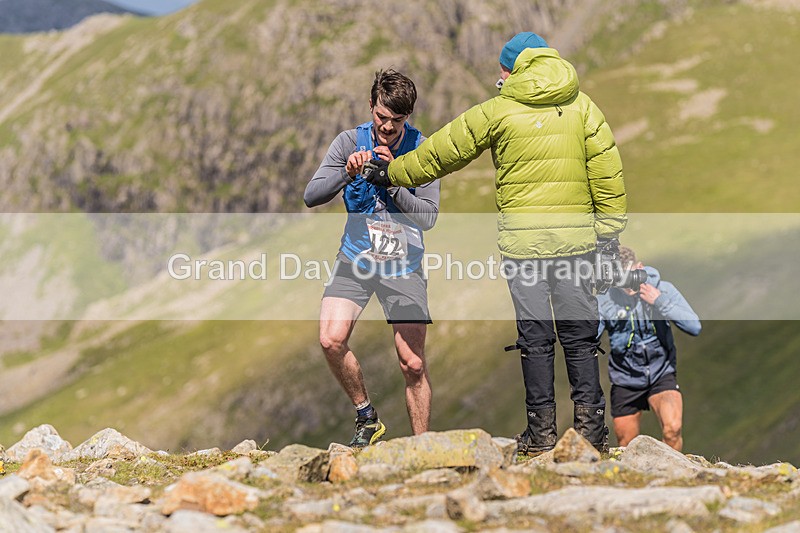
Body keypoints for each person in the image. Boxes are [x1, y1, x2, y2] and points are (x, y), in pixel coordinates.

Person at [363, 32, 626, 454]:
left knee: (535, 339)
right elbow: (607, 173)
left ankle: (540, 437)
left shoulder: (499, 110)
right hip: (577, 242)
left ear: (514, 68)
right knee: (581, 338)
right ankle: (591, 435)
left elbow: (442, 152)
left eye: (502, 69)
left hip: (524, 247)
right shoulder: (582, 107)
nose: (498, 77)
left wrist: (391, 175)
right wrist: (609, 236)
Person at [304, 69, 440, 448]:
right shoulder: (348, 141)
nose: (388, 127)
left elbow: (429, 216)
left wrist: (391, 181)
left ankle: (422, 449)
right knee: (331, 339)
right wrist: (349, 174)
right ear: (371, 106)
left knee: (412, 364)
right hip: (356, 260)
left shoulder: (423, 148)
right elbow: (311, 195)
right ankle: (367, 416)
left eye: (398, 120)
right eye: (382, 117)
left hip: (403, 265)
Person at [597, 246, 701, 451]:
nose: (628, 288)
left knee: (673, 429)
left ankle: (671, 477)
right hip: (625, 379)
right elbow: (589, 337)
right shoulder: (604, 299)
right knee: (626, 447)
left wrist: (659, 301)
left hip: (661, 373)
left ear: (640, 268)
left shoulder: (663, 289)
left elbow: (694, 326)